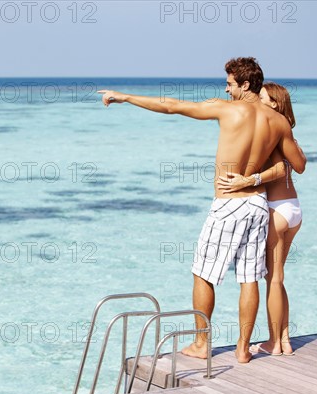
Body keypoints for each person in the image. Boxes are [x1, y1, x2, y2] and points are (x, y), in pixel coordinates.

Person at [98, 57, 306, 363]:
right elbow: (295, 164)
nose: (226, 89)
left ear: (245, 85)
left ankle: (200, 343)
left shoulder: (227, 109)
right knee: (249, 278)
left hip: (228, 204)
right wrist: (256, 177)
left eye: (230, 84)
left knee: (203, 274)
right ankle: (242, 348)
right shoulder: (278, 122)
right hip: (259, 204)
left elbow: (172, 106)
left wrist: (126, 96)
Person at [217, 82, 306, 356]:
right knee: (278, 278)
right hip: (294, 208)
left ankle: (274, 343)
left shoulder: (266, 129)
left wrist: (250, 179)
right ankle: (285, 339)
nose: (258, 102)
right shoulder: (284, 131)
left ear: (276, 103)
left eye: (264, 98)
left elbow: (281, 168)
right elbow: (299, 165)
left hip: (276, 210)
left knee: (274, 278)